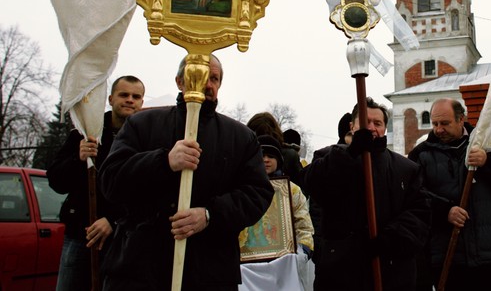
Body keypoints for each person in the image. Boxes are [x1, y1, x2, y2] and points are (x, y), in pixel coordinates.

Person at [99, 55, 274, 291]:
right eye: (199, 76)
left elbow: (258, 194)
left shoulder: (240, 137)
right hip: (140, 267)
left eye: (214, 78)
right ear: (180, 81)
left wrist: (210, 214)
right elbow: (111, 180)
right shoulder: (142, 124)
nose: (208, 84)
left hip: (209, 272)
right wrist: (164, 162)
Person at [303, 97, 430, 291]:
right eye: (365, 122)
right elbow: (314, 183)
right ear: (352, 126)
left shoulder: (406, 168)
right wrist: (352, 152)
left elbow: (420, 213)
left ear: (384, 128)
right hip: (341, 272)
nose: (371, 127)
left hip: (391, 270)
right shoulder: (329, 157)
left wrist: (389, 239)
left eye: (377, 123)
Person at [407, 98, 491, 291]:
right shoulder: (421, 155)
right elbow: (414, 196)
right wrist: (445, 211)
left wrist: (488, 161)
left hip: (486, 255)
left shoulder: (486, 144)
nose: (438, 129)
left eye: (445, 123)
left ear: (461, 119)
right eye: (435, 124)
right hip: (446, 256)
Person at [48, 75, 146, 291]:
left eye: (136, 96)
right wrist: (78, 159)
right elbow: (56, 181)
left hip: (122, 239)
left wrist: (113, 220)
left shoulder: (144, 141)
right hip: (80, 235)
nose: (130, 100)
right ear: (110, 99)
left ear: (142, 103)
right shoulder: (85, 132)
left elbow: (144, 191)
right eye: (124, 95)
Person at [249, 134, 313, 255]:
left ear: (279, 160)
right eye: (262, 155)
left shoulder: (291, 190)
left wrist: (304, 248)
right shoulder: (243, 188)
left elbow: (303, 224)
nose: (266, 159)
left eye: (271, 156)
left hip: (283, 261)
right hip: (248, 262)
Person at [246, 112, 303, 186]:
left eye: (270, 156)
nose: (266, 159)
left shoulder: (289, 156)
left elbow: (300, 187)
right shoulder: (243, 155)